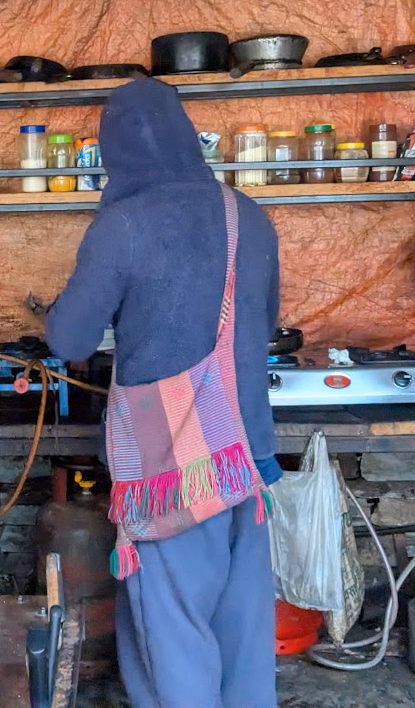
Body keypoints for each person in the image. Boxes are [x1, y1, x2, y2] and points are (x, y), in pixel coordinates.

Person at [45, 76, 283, 708]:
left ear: (114, 153)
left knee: (174, 642)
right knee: (243, 641)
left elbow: (68, 339)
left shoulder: (122, 225)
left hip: (174, 472)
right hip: (248, 463)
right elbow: (266, 319)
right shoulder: (248, 214)